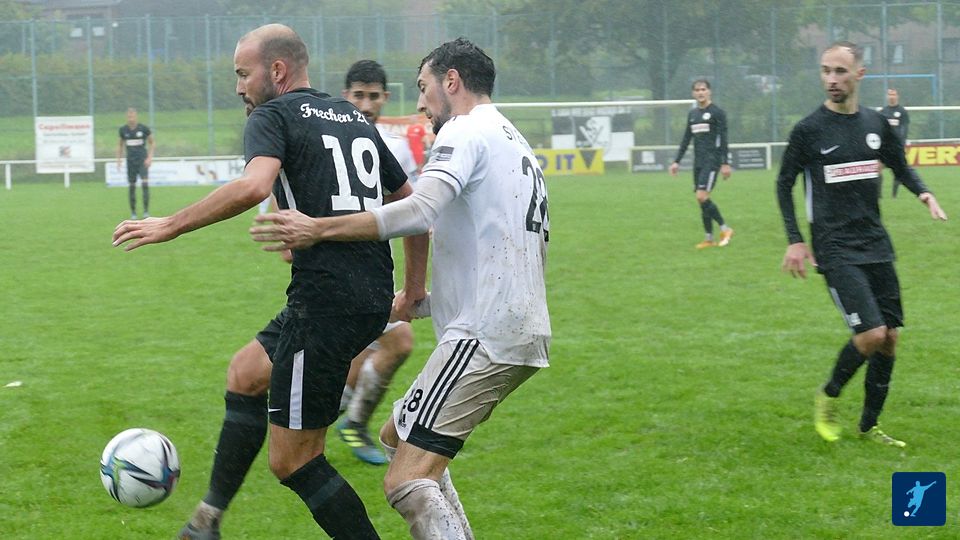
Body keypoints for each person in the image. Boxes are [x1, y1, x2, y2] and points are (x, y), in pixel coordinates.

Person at [113, 23, 418, 539]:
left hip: (324, 304)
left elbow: (253, 186)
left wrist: (170, 225)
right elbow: (412, 203)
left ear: (276, 70)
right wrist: (414, 288)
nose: (239, 87)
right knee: (246, 373)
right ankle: (206, 521)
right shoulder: (351, 117)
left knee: (295, 460)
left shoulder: (272, 114)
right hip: (368, 296)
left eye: (243, 74)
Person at [250, 37, 551, 540]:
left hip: (484, 333)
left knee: (406, 481)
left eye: (423, 87)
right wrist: (418, 300)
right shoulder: (513, 139)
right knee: (396, 436)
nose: (420, 102)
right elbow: (497, 247)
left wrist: (319, 228)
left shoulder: (464, 129)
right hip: (514, 326)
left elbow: (418, 211)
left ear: (451, 81)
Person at [776, 41, 947, 449]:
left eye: (840, 71)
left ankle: (870, 427)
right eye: (826, 71)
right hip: (834, 248)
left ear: (859, 74)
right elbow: (784, 184)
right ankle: (828, 395)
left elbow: (900, 166)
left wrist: (924, 194)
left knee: (890, 339)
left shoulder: (876, 123)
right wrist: (795, 240)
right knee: (871, 334)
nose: (831, 79)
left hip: (875, 242)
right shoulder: (808, 130)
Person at [336, 59, 420, 466]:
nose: (366, 105)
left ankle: (325, 414)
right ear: (345, 96)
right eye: (358, 95)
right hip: (339, 267)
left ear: (386, 97)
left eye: (373, 96)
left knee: (366, 350)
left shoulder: (395, 147)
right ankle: (349, 421)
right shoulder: (329, 140)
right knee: (398, 341)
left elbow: (411, 209)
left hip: (374, 269)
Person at [669, 79, 734, 249]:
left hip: (712, 161)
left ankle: (725, 229)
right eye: (697, 90)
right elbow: (686, 139)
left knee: (701, 196)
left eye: (703, 89)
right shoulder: (693, 114)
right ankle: (709, 238)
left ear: (709, 91)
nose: (700, 92)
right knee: (702, 200)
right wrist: (676, 161)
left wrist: (725, 163)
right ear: (693, 93)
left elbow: (723, 139)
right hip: (698, 162)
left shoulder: (717, 113)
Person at [116, 107, 155, 219]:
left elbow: (152, 143)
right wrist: (118, 160)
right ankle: (133, 212)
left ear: (136, 116)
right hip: (131, 162)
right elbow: (120, 145)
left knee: (145, 184)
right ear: (127, 117)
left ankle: (146, 211)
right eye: (129, 116)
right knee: (132, 186)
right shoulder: (123, 130)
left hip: (142, 161)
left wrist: (149, 158)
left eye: (132, 116)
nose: (131, 118)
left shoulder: (143, 129)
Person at [879, 88, 910, 198]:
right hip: (884, 147)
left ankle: (894, 196)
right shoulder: (883, 111)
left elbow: (904, 129)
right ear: (887, 96)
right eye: (890, 94)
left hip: (896, 147)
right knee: (877, 169)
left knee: (898, 171)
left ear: (897, 96)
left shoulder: (902, 111)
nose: (891, 97)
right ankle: (878, 195)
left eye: (893, 94)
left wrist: (901, 144)